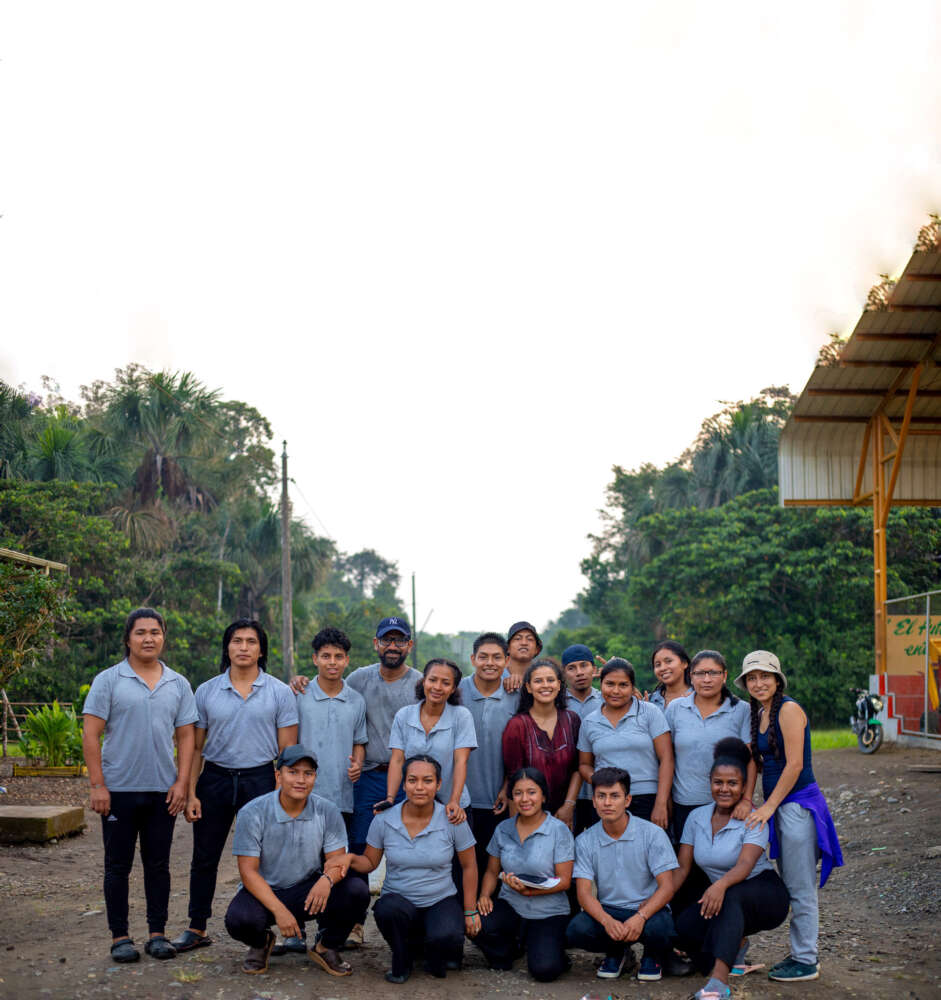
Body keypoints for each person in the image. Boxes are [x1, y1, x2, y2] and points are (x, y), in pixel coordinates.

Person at [290, 615, 422, 948]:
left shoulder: (422, 683)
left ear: (409, 645)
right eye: (386, 640)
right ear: (376, 644)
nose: (393, 646)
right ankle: (351, 924)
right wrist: (297, 681)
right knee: (358, 847)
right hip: (366, 778)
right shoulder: (359, 680)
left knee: (413, 844)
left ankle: (420, 922)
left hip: (411, 777)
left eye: (399, 640)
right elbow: (328, 690)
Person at [171, 619, 298, 954]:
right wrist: (192, 791)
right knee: (204, 857)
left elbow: (288, 751)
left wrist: (284, 793)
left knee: (271, 857)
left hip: (261, 779)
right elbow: (195, 747)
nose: (244, 647)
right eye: (237, 641)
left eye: (251, 641)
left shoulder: (279, 692)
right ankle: (197, 927)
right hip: (215, 779)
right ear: (227, 648)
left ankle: (282, 927)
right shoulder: (207, 691)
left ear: (261, 649)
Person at [82, 607, 198, 963]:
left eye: (155, 632)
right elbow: (91, 734)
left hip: (163, 792)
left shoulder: (177, 683)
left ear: (164, 637)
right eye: (140, 632)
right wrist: (97, 785)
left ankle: (157, 934)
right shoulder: (109, 680)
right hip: (117, 791)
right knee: (118, 866)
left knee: (158, 865)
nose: (149, 638)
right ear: (128, 639)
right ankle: (120, 937)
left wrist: (181, 783)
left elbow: (187, 737)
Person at [739, 650, 843, 983]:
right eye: (752, 678)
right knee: (790, 880)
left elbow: (795, 764)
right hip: (780, 807)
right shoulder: (760, 713)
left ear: (777, 679)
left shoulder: (789, 709)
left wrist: (768, 807)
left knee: (800, 886)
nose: (758, 683)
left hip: (797, 805)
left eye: (764, 676)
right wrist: (751, 799)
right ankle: (800, 951)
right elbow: (758, 761)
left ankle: (806, 960)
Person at [223, 745, 368, 976]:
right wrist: (279, 911)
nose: (301, 780)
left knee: (356, 890)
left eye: (308, 773)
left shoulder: (327, 810)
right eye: (293, 772)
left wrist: (326, 880)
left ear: (314, 778)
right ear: (278, 775)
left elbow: (338, 861)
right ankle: (261, 942)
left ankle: (326, 946)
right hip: (265, 890)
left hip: (306, 890)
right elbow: (248, 872)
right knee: (239, 920)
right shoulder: (253, 812)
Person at [672, 738, 790, 1000]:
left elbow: (746, 865)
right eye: (718, 782)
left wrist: (720, 885)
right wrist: (655, 903)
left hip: (765, 893)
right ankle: (734, 943)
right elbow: (681, 869)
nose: (724, 789)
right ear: (710, 782)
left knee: (730, 897)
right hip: (725, 894)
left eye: (733, 783)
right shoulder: (697, 817)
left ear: (742, 786)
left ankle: (719, 983)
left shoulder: (754, 818)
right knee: (684, 925)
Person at [344, 755, 478, 983]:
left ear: (438, 785)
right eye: (412, 780)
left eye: (427, 781)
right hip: (400, 899)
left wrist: (470, 911)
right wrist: (347, 859)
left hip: (440, 899)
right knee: (386, 909)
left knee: (445, 939)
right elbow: (370, 862)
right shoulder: (384, 819)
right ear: (403, 784)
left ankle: (433, 946)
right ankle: (402, 956)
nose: (419, 787)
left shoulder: (453, 819)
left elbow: (469, 866)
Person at [291, 626, 367, 950]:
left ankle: (329, 931)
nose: (332, 662)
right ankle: (293, 931)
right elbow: (289, 742)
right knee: (300, 864)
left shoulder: (356, 700)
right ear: (315, 658)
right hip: (304, 796)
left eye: (338, 656)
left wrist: (358, 764)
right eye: (326, 656)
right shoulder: (300, 694)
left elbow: (359, 742)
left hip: (341, 799)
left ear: (347, 660)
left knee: (334, 866)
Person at [565, 766, 678, 982]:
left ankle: (652, 956)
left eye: (614, 796)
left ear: (627, 800)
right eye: (601, 796)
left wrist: (640, 917)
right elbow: (584, 893)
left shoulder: (652, 834)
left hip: (646, 909)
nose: (607, 803)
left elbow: (667, 887)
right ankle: (617, 952)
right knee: (577, 930)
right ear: (594, 801)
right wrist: (607, 921)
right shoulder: (585, 840)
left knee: (662, 929)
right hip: (611, 909)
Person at [473, 767, 574, 982]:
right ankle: (507, 952)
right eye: (518, 793)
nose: (524, 799)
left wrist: (529, 891)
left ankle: (551, 950)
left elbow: (564, 881)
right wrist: (484, 896)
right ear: (511, 797)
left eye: (532, 792)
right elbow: (492, 871)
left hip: (548, 912)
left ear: (543, 796)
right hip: (511, 904)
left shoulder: (558, 830)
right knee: (474, 922)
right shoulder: (503, 828)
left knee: (544, 971)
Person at [665, 650, 755, 841]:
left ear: (724, 676)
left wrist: (746, 800)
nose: (707, 679)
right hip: (685, 802)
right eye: (700, 673)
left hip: (728, 802)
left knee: (724, 862)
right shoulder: (675, 708)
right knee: (689, 864)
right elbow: (666, 757)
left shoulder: (741, 710)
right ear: (691, 676)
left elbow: (751, 759)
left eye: (713, 673)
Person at [577, 658, 673, 827]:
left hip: (646, 799)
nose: (616, 691)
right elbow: (584, 764)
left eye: (623, 685)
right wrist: (605, 784)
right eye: (610, 684)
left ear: (632, 686)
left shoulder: (650, 712)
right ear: (601, 684)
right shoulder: (589, 722)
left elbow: (667, 759)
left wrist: (661, 803)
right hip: (606, 802)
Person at [379, 658, 477, 823]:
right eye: (432, 680)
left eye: (445, 683)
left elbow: (461, 761)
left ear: (453, 689)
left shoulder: (461, 716)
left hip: (451, 808)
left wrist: (454, 801)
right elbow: (397, 760)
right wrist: (390, 798)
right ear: (424, 681)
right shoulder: (404, 715)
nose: (437, 687)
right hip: (415, 806)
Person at [459, 632, 520, 886]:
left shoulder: (516, 694)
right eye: (483, 657)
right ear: (473, 659)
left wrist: (508, 787)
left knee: (494, 864)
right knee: (461, 865)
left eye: (497, 657)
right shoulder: (457, 690)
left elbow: (519, 748)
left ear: (507, 660)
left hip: (499, 797)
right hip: (462, 799)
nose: (489, 663)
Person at [502, 659, 581, 828]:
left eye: (550, 680)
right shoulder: (517, 725)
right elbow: (513, 779)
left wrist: (568, 806)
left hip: (564, 816)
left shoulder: (572, 720)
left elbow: (578, 768)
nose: (545, 685)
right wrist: (518, 830)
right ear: (529, 687)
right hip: (528, 816)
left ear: (559, 685)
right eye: (538, 681)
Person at [561, 643, 603, 835]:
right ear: (563, 673)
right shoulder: (557, 703)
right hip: (567, 792)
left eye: (584, 665)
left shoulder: (607, 699)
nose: (579, 672)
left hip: (602, 789)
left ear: (594, 669)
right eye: (572, 668)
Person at [647, 640, 693, 710]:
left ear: (684, 663)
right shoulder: (649, 701)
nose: (662, 668)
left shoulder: (698, 698)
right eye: (658, 665)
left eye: (668, 661)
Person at [504, 621, 543, 690]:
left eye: (529, 639)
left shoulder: (544, 679)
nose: (524, 643)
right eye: (518, 639)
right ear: (508, 648)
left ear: (537, 649)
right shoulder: (496, 677)